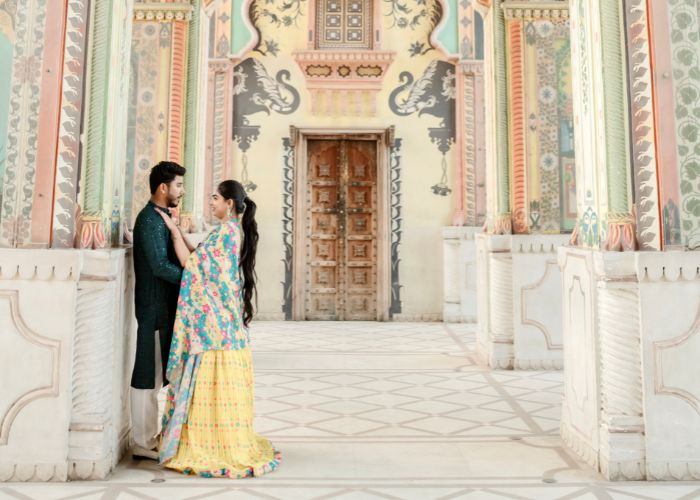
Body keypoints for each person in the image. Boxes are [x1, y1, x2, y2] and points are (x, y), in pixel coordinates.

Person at [158, 180, 280, 478]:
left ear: (229, 204)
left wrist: (173, 231)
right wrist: (181, 233)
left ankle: (211, 446)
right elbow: (200, 253)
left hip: (213, 329)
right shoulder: (228, 232)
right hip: (223, 327)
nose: (211, 203)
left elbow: (191, 264)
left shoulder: (227, 233)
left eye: (215, 198)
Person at [131, 161, 191, 460]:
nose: (182, 190)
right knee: (148, 376)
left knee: (160, 375)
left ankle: (154, 436)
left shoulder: (162, 217)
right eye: (178, 185)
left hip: (166, 309)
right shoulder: (148, 220)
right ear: (163, 187)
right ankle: (142, 442)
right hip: (154, 309)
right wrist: (194, 279)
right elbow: (158, 266)